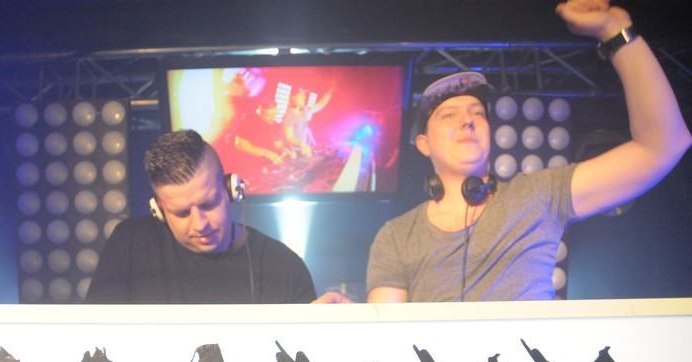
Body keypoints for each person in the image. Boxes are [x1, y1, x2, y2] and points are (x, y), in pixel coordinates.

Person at [366, 0, 691, 303]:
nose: (468, 121)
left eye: (478, 113)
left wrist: (615, 31)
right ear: (424, 144)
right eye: (449, 115)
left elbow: (663, 145)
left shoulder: (536, 196)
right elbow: (385, 337)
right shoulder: (396, 236)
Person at [86, 129, 317, 304]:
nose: (200, 224)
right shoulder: (130, 245)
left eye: (209, 204)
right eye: (181, 213)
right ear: (159, 210)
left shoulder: (283, 266)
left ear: (230, 190)